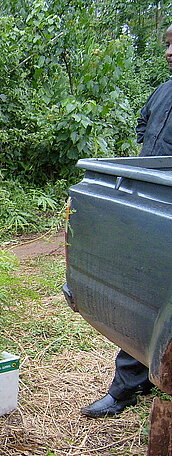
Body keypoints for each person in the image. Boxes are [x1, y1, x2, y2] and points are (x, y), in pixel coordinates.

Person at [79, 26, 172, 418]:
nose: (168, 51)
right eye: (167, 43)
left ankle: (129, 387)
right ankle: (129, 387)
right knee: (148, 296)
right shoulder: (163, 90)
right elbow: (143, 128)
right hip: (153, 209)